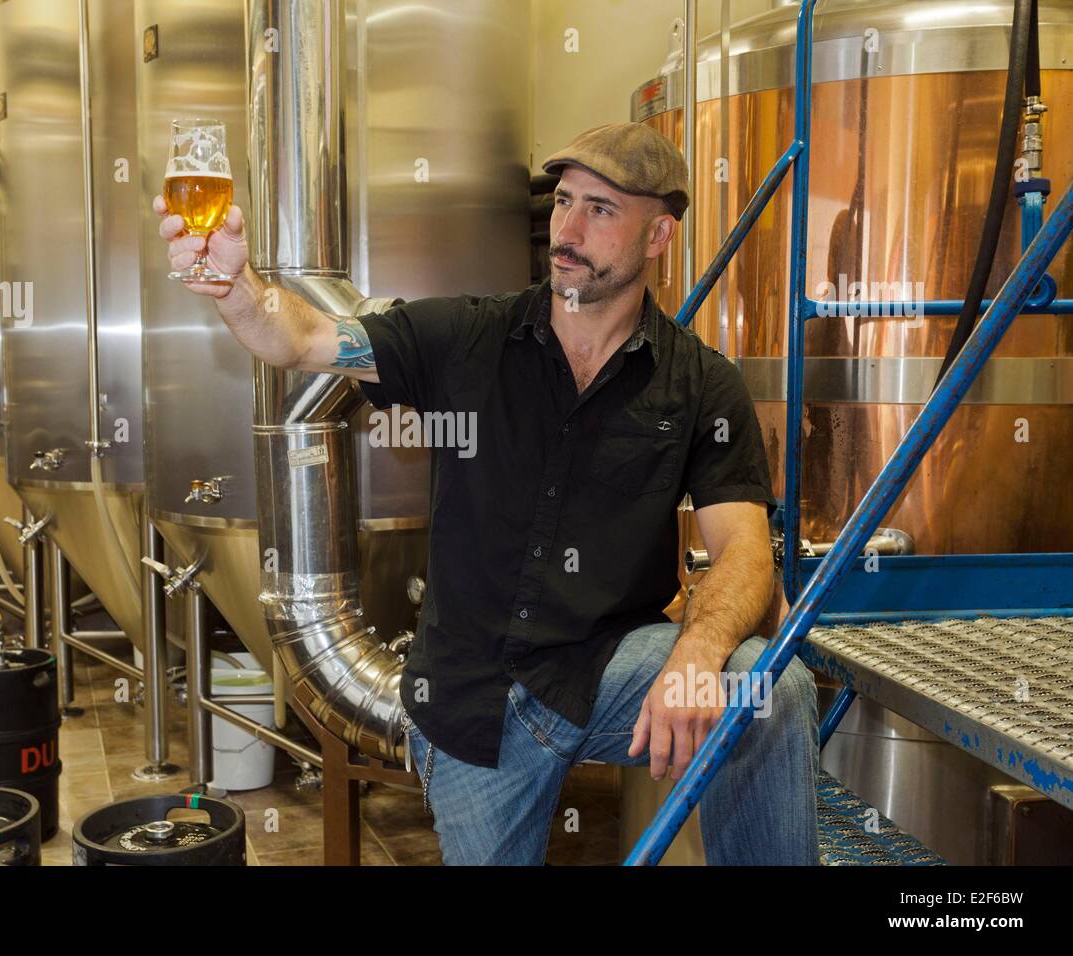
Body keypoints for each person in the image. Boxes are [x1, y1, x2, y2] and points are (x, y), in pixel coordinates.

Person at [154, 121, 819, 866]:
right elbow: (303, 339)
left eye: (600, 210)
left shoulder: (700, 383)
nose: (567, 228)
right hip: (473, 698)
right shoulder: (468, 336)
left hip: (602, 670)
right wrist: (239, 290)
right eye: (564, 201)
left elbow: (745, 548)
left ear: (658, 237)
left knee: (773, 689)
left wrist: (699, 651)